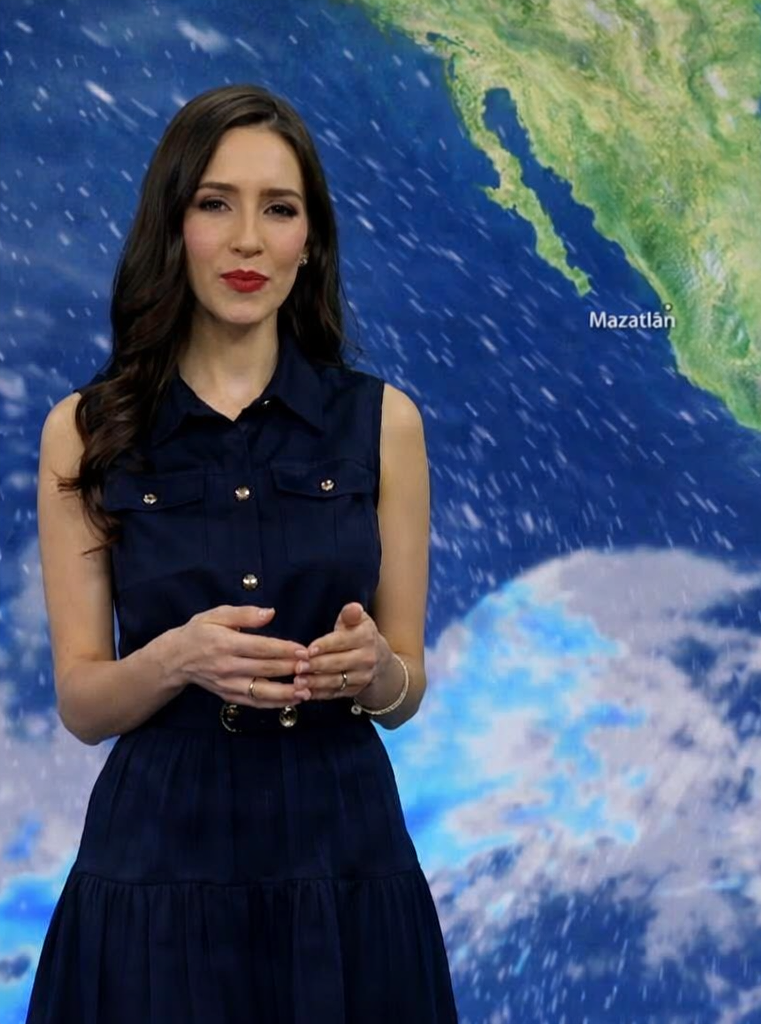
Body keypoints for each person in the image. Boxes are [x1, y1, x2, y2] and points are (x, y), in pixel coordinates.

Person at [26, 83, 459, 1023]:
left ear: (312, 241)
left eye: (280, 209)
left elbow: (406, 689)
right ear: (172, 226)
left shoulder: (386, 423)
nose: (249, 241)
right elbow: (83, 702)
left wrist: (376, 670)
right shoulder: (84, 433)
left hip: (343, 849)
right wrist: (177, 658)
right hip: (157, 858)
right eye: (217, 204)